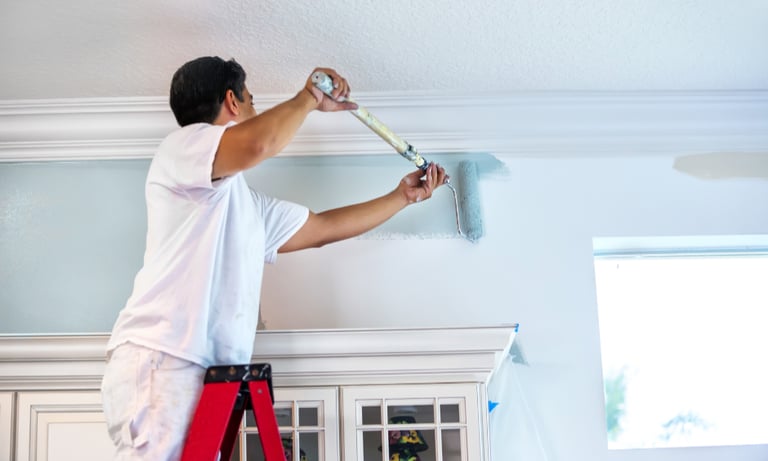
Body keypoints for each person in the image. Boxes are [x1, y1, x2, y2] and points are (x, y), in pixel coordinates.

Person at [100, 56, 447, 460]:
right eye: (251, 101)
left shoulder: (244, 206)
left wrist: (402, 197)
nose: (255, 111)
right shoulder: (180, 149)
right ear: (231, 101)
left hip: (207, 374)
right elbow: (259, 143)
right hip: (164, 357)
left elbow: (321, 228)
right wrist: (309, 98)